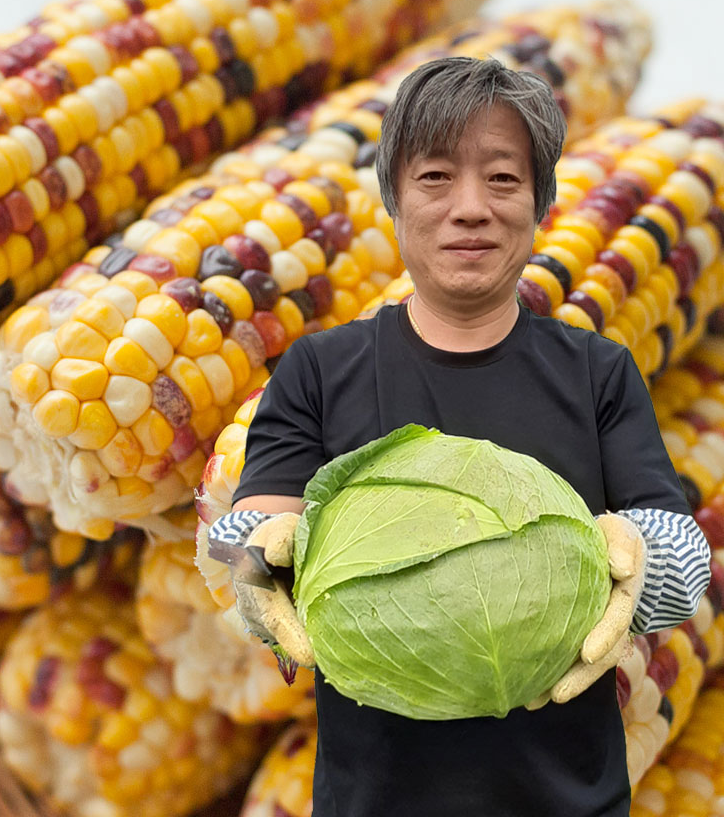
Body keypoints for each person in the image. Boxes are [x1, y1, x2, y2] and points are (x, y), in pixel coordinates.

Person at [208, 57, 712, 817]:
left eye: (503, 180)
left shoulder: (596, 370)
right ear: (394, 200)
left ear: (541, 203)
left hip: (573, 802)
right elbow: (241, 536)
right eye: (436, 177)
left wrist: (647, 563)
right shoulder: (319, 368)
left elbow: (678, 542)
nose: (470, 208)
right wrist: (256, 558)